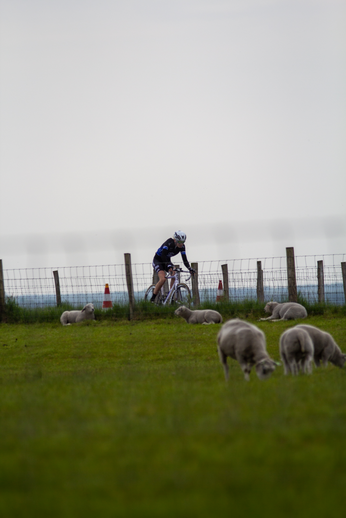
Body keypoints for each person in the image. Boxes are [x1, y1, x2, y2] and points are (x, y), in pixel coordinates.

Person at [150, 230, 195, 302]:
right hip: (158, 260)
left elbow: (185, 259)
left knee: (174, 274)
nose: (181, 244)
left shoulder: (182, 247)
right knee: (163, 279)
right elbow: (163, 256)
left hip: (167, 261)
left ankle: (170, 296)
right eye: (180, 242)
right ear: (175, 240)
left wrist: (189, 268)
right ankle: (152, 299)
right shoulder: (168, 243)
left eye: (183, 242)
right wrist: (169, 266)